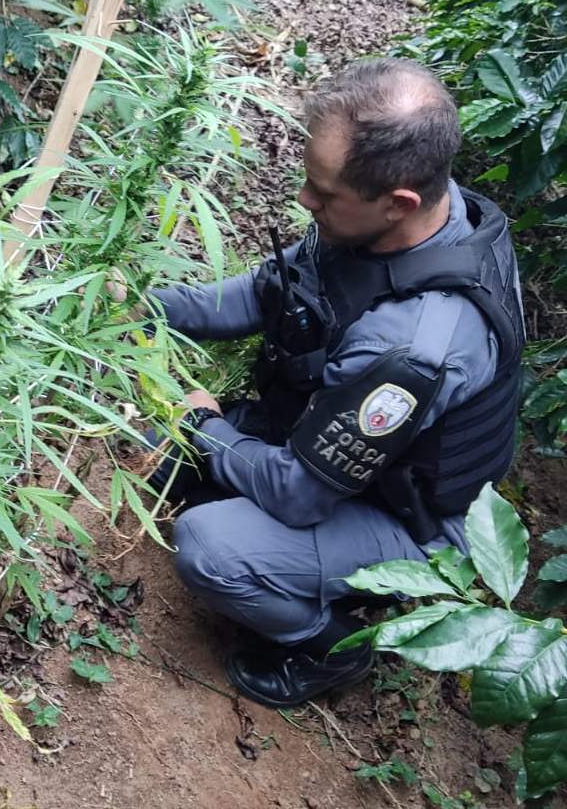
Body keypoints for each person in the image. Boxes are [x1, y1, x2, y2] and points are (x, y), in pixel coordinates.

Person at [141, 58, 525, 708]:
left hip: (412, 519)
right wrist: (144, 303)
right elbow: (268, 291)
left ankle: (330, 643)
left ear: (397, 200)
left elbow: (296, 494)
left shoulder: (413, 346)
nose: (303, 201)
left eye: (322, 192)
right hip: (355, 455)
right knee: (167, 452)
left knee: (209, 545)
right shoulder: (408, 215)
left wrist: (205, 426)